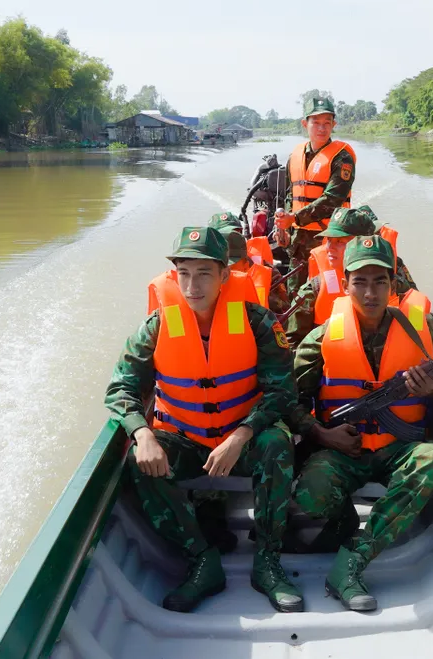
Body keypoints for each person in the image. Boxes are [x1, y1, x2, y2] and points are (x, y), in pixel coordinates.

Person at [104, 226, 303, 613]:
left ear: (225, 275)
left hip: (240, 441)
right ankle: (201, 560)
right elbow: (120, 387)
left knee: (276, 444)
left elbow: (283, 392)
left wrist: (242, 434)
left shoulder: (258, 321)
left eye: (204, 274)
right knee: (137, 459)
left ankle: (267, 560)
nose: (192, 286)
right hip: (187, 439)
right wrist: (142, 432)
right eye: (184, 274)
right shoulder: (158, 325)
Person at [287, 235, 433, 612]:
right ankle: (341, 522)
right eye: (360, 282)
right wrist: (321, 433)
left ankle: (354, 559)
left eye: (379, 282)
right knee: (310, 493)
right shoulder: (323, 337)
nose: (370, 293)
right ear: (347, 282)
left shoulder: (424, 329)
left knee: (430, 460)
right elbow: (286, 396)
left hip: (401, 447)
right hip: (343, 449)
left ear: (393, 284)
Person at [285, 206, 417, 346]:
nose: (329, 248)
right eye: (329, 240)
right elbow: (292, 343)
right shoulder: (315, 287)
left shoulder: (395, 278)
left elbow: (418, 316)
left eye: (340, 242)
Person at [277, 97, 356, 292]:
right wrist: (283, 225)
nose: (322, 128)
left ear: (333, 125)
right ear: (305, 124)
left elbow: (333, 199)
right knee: (295, 293)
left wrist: (294, 218)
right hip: (298, 240)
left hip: (330, 241)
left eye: (327, 123)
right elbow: (290, 194)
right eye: (316, 123)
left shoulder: (342, 157)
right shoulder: (295, 155)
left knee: (328, 291)